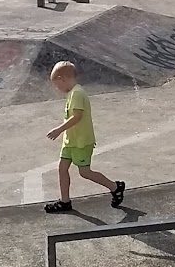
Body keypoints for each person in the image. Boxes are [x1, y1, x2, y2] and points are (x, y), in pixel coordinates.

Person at [44, 60, 125, 213]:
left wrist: (58, 130)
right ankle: (65, 201)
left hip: (81, 141)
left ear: (63, 78)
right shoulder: (71, 93)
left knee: (85, 172)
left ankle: (115, 187)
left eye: (57, 84)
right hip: (70, 141)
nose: (57, 88)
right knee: (62, 168)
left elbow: (77, 117)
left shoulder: (77, 93)